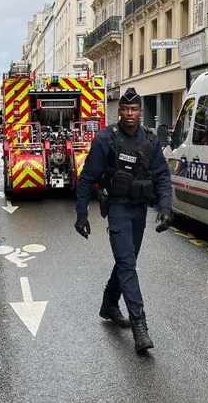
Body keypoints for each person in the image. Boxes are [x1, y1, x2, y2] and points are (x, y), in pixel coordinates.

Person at [73, 87, 173, 353]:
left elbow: (162, 176)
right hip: (117, 209)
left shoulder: (151, 140)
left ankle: (108, 304)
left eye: (134, 110)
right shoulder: (106, 139)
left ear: (141, 112)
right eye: (125, 110)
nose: (130, 114)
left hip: (139, 210)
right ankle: (140, 326)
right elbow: (87, 179)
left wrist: (165, 208)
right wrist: (81, 214)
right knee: (128, 264)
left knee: (126, 261)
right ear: (120, 112)